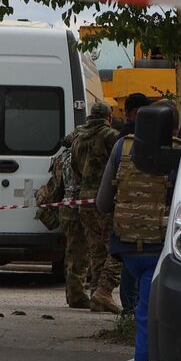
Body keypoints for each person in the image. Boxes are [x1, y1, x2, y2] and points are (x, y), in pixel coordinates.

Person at [96, 100, 181, 361]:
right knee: (151, 327)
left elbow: (104, 203)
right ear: (173, 127)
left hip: (126, 250)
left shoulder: (121, 146)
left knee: (139, 316)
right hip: (160, 253)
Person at [70, 101, 122, 313]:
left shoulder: (77, 137)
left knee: (95, 248)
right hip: (104, 198)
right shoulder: (110, 136)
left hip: (84, 198)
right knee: (114, 245)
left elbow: (74, 166)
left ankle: (96, 295)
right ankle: (103, 291)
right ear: (108, 117)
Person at [116, 92, 153, 312]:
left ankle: (130, 310)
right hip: (135, 210)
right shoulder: (129, 139)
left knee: (130, 261)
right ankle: (131, 308)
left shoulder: (124, 138)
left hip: (128, 209)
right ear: (131, 113)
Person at [45, 135, 88, 309]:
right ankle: (77, 294)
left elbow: (57, 185)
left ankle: (72, 292)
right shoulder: (83, 156)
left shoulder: (61, 158)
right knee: (81, 253)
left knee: (71, 251)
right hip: (79, 206)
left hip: (65, 206)